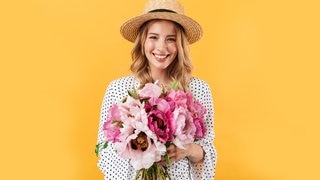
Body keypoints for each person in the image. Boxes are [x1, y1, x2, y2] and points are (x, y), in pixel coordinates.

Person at [96, 0, 217, 179]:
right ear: (143, 41)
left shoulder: (199, 89)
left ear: (180, 44)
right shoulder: (119, 89)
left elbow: (207, 150)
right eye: (153, 37)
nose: (161, 47)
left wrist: (186, 150)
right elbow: (104, 149)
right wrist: (141, 151)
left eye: (171, 39)